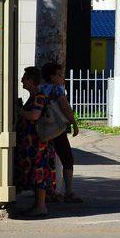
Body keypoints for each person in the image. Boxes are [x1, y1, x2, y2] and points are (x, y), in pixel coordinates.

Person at [14, 67, 55, 217]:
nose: (22, 80)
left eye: (24, 78)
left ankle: (40, 206)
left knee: (39, 173)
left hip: (39, 145)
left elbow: (34, 116)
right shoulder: (34, 97)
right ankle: (37, 205)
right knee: (35, 173)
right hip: (34, 144)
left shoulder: (38, 97)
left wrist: (18, 111)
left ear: (31, 80)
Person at [41, 61, 82, 203]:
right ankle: (69, 191)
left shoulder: (41, 89)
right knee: (67, 159)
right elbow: (65, 107)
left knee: (46, 161)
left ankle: (46, 192)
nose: (61, 77)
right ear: (52, 76)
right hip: (57, 129)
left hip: (43, 130)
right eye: (59, 74)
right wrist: (74, 123)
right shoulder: (57, 90)